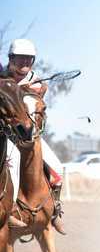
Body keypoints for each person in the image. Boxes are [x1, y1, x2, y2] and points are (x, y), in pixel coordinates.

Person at [2, 39, 66, 234]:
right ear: (11, 59)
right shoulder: (2, 78)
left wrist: (22, 91)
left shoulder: (39, 84)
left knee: (57, 168)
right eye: (20, 59)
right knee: (12, 168)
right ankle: (9, 212)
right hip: (8, 136)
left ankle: (55, 211)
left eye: (29, 60)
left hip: (31, 136)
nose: (24, 63)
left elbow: (37, 102)